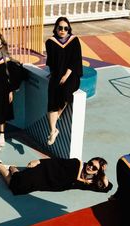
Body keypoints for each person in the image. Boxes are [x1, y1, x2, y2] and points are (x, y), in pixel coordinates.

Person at [0, 157, 112, 194]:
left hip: (46, 184)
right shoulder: (76, 164)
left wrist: (103, 176)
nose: (90, 167)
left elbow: (105, 188)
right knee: (15, 184)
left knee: (18, 189)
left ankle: (14, 170)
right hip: (44, 171)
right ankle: (0, 165)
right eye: (90, 163)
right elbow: (57, 161)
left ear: (97, 172)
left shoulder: (88, 181)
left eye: (94, 168)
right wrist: (38, 161)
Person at [45, 17, 83, 145]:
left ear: (69, 29)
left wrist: (66, 75)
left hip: (71, 74)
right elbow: (51, 61)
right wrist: (53, 74)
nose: (62, 30)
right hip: (57, 74)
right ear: (56, 28)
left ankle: (57, 115)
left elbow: (76, 59)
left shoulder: (74, 40)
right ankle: (53, 130)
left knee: (66, 91)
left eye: (65, 28)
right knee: (52, 95)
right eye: (60, 28)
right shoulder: (50, 42)